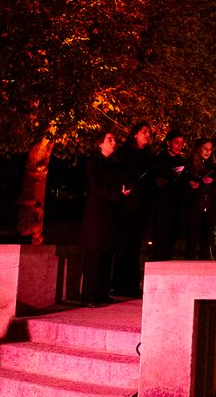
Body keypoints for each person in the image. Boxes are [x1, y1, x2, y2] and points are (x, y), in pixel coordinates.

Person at [78, 130, 126, 306]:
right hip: (97, 213)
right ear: (100, 143)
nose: (113, 143)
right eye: (109, 139)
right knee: (95, 253)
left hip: (112, 213)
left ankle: (102, 293)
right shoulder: (94, 162)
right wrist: (117, 195)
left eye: (114, 140)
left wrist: (123, 192)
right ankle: (88, 296)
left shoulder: (115, 164)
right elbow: (96, 187)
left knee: (107, 252)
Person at [112, 121, 153, 296]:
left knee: (136, 246)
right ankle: (119, 284)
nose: (147, 135)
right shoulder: (125, 153)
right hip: (127, 204)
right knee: (124, 244)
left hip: (142, 205)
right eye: (144, 131)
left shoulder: (148, 155)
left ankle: (131, 284)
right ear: (135, 134)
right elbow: (121, 174)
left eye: (149, 132)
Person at [147, 130, 189, 261]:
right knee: (159, 241)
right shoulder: (159, 159)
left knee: (171, 241)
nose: (179, 146)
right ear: (168, 143)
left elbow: (184, 183)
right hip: (161, 205)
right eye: (176, 143)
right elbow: (152, 180)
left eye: (181, 143)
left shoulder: (182, 161)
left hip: (175, 206)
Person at [182, 138, 216, 259]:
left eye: (210, 149)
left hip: (210, 207)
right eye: (205, 149)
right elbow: (184, 184)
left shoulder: (213, 165)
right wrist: (198, 183)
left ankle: (204, 266)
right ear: (198, 149)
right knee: (192, 241)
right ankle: (189, 266)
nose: (208, 152)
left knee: (206, 242)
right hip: (194, 207)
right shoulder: (190, 164)